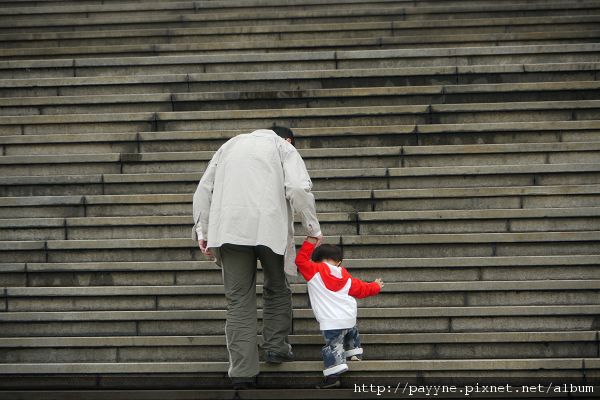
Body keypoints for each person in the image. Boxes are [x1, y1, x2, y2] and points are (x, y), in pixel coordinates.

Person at [192, 126, 323, 389]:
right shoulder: (284, 147)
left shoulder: (228, 146)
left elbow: (203, 190)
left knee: (238, 299)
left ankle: (242, 373)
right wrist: (312, 228)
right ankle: (276, 346)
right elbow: (298, 187)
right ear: (288, 139)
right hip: (269, 227)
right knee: (277, 286)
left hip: (229, 229)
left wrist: (202, 230)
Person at [295, 237, 383, 389]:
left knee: (333, 346)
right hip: (348, 317)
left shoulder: (314, 270)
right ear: (339, 262)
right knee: (351, 333)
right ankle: (354, 354)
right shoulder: (345, 276)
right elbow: (362, 289)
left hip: (331, 322)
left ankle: (333, 377)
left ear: (316, 260)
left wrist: (310, 242)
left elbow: (300, 261)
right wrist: (375, 286)